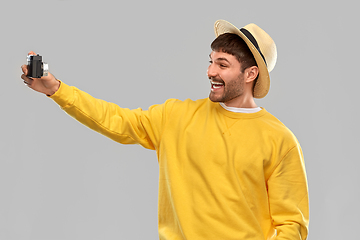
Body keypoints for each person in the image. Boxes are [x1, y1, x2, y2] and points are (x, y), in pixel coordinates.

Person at [21, 20, 309, 240]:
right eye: (211, 62)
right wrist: (57, 90)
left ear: (250, 74)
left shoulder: (279, 140)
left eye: (223, 65)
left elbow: (291, 225)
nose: (211, 72)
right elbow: (116, 120)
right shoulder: (177, 115)